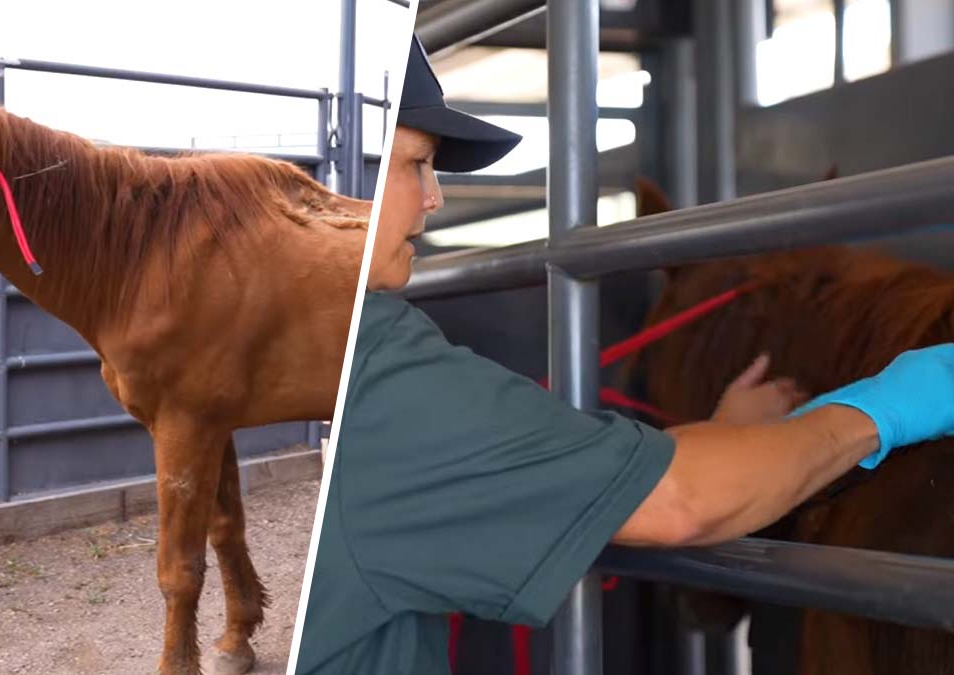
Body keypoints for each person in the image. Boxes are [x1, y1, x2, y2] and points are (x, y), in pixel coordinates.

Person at [292, 36, 954, 675]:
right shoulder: (378, 367)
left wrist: (726, 437)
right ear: (348, 170)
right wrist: (886, 406)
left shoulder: (308, 343)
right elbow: (679, 502)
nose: (434, 197)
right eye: (416, 162)